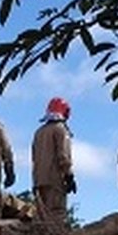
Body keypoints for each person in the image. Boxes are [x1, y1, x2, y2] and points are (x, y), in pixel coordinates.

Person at [31, 97, 75, 226]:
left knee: (42, 216)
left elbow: (34, 157)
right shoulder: (61, 130)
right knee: (57, 214)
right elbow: (63, 156)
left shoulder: (39, 132)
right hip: (55, 179)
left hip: (39, 179)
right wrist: (69, 176)